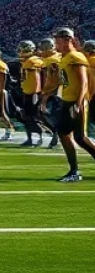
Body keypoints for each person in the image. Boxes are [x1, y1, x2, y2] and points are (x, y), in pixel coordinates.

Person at [51, 27, 95, 184]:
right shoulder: (64, 57)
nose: (56, 42)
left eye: (58, 39)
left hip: (77, 101)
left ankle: (74, 171)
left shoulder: (75, 56)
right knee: (63, 133)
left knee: (80, 138)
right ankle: (74, 170)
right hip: (67, 100)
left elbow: (84, 81)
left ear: (68, 39)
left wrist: (78, 103)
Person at [16, 41, 46, 148]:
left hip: (32, 93)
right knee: (25, 116)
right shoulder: (27, 61)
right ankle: (30, 138)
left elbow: (36, 79)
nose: (20, 51)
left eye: (22, 48)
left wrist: (35, 93)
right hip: (27, 92)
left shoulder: (32, 61)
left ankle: (43, 135)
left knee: (33, 116)